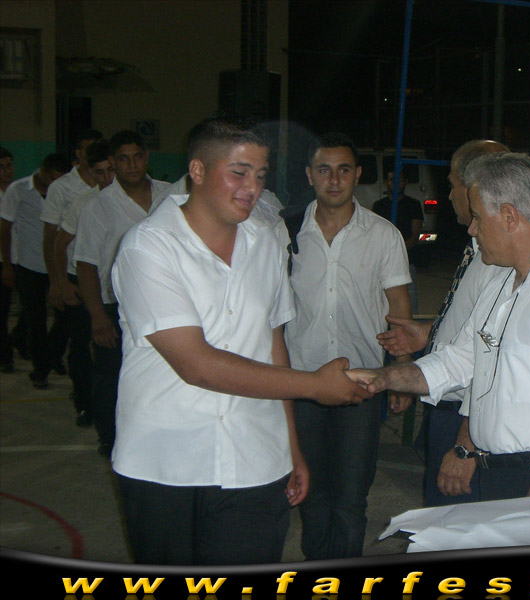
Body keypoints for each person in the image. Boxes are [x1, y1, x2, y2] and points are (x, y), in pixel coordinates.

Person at [110, 115, 369, 565]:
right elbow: (197, 365)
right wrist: (315, 386)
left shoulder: (265, 243)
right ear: (197, 171)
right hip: (166, 463)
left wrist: (291, 447)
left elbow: (273, 345)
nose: (252, 187)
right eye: (239, 172)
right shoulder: (148, 247)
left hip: (255, 458)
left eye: (260, 175)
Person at [349, 152, 530, 501]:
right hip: (497, 473)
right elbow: (458, 361)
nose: (472, 229)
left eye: (478, 218)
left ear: (509, 217)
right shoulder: (502, 282)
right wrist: (383, 378)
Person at [284, 132, 413, 560]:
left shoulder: (383, 235)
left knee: (352, 494)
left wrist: (401, 373)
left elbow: (398, 308)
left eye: (343, 170)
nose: (334, 180)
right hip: (303, 382)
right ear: (309, 175)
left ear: (358, 175)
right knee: (312, 491)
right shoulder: (286, 233)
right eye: (324, 170)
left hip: (363, 385)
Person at [376, 139, 508, 506]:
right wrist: (429, 333)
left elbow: (492, 361)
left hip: (466, 418)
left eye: (452, 184)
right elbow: (472, 328)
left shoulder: (499, 259)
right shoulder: (478, 249)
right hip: (447, 406)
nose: (448, 195)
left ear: (475, 185)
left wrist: (465, 445)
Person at [73, 130, 170, 456]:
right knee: (111, 376)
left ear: (146, 157)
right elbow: (86, 265)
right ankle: (111, 439)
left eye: (137, 156)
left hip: (164, 303)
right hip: (116, 307)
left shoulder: (171, 195)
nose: (132, 165)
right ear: (113, 162)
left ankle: (155, 437)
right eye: (124, 159)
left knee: (161, 375)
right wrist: (97, 316)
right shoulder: (98, 206)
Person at [52, 140, 115, 427]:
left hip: (114, 287)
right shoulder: (85, 203)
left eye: (110, 170)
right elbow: (59, 243)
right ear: (91, 173)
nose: (107, 178)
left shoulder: (136, 199)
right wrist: (61, 283)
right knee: (81, 346)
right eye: (100, 173)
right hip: (83, 281)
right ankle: (84, 404)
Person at [0, 153, 70, 387]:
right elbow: (5, 229)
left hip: (58, 265)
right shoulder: (18, 190)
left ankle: (52, 355)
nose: (55, 183)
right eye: (52, 178)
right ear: (43, 171)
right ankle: (40, 370)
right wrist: (7, 266)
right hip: (28, 266)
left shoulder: (64, 191)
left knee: (65, 316)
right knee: (36, 320)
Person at [41, 129, 104, 373]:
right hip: (73, 272)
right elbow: (52, 238)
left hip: (104, 273)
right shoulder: (62, 187)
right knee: (75, 335)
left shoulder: (112, 184)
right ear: (78, 153)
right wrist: (57, 282)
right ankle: (50, 366)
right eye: (89, 149)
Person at [371, 170, 424, 313]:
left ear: (405, 182)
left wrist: (396, 253)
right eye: (391, 179)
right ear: (386, 182)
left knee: (409, 307)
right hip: (382, 264)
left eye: (399, 180)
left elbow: (415, 236)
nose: (395, 183)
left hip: (407, 262)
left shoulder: (413, 205)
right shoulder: (379, 206)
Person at [0, 147, 15, 372]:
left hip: (15, 258)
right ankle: (5, 356)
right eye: (1, 167)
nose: (6, 171)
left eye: (9, 166)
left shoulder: (17, 191)